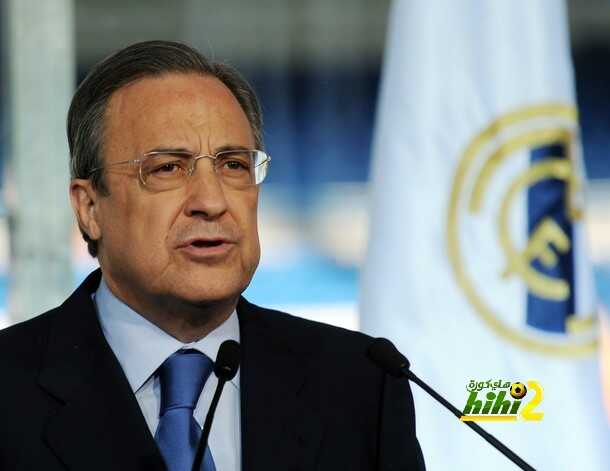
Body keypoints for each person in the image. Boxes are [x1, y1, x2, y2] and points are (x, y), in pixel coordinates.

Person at [0, 40, 424, 470]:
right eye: (167, 167)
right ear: (90, 209)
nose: (211, 200)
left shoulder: (361, 385)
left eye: (234, 165)